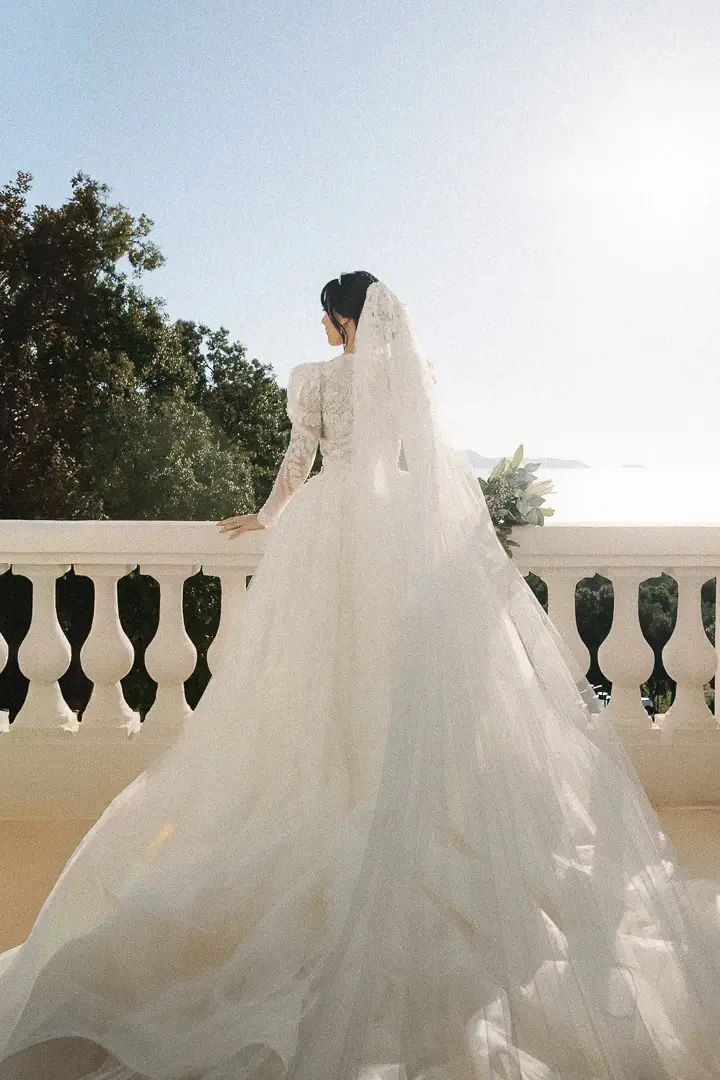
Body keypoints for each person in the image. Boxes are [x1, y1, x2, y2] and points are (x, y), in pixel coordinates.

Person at [1, 274, 720, 1080]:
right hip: (392, 531)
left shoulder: (315, 379)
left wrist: (267, 517)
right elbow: (424, 462)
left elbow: (300, 459)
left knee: (312, 676)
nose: (322, 323)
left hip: (329, 524)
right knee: (387, 673)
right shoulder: (408, 374)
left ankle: (330, 794)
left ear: (342, 318)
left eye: (327, 312)